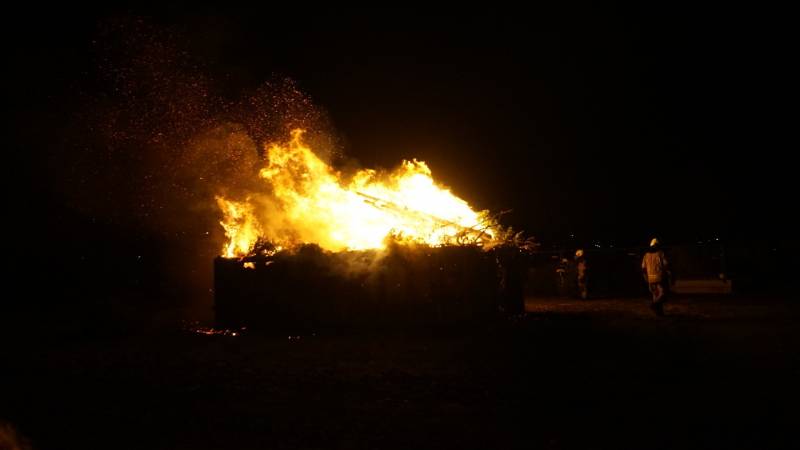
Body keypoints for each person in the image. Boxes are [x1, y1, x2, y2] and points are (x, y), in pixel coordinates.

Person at [641, 238, 671, 316]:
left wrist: (646, 278)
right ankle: (654, 305)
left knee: (655, 294)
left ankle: (659, 313)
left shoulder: (646, 255)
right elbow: (666, 265)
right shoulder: (660, 253)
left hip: (650, 278)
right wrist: (669, 273)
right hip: (659, 277)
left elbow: (643, 268)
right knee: (662, 293)